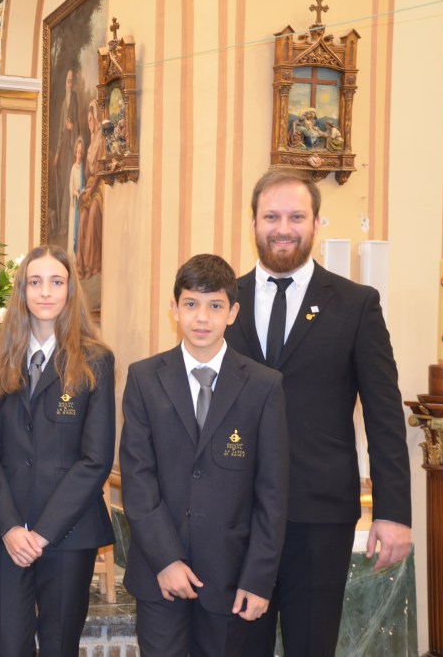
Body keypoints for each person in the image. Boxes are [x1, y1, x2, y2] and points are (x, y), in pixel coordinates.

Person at [226, 168, 412, 657]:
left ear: (315, 223)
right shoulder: (223, 303)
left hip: (319, 516)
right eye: (271, 217)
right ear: (253, 223)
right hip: (235, 517)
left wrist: (393, 512)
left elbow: (384, 414)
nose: (283, 228)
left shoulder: (355, 305)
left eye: (296, 217)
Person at [120, 253, 289, 657]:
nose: (202, 317)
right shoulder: (144, 378)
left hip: (232, 578)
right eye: (191, 304)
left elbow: (272, 492)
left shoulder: (263, 386)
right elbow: (138, 479)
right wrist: (166, 559)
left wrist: (258, 578)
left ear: (233, 313)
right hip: (160, 574)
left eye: (215, 306)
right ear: (174, 309)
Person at [0, 245, 115, 657]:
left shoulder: (95, 360)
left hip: (68, 532)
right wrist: (10, 528)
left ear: (71, 290)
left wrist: (43, 533)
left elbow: (96, 459)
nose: (46, 292)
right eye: (35, 282)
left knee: (59, 645)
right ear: (22, 290)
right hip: (9, 532)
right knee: (6, 645)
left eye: (56, 282)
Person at [76, 101, 104, 280]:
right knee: (83, 216)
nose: (89, 124)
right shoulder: (90, 145)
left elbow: (99, 171)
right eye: (87, 121)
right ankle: (81, 266)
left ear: (97, 119)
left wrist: (91, 189)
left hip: (100, 186)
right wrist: (84, 189)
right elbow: (88, 172)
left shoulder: (101, 141)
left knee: (93, 213)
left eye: (91, 120)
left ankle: (93, 265)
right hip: (91, 184)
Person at [52, 69, 80, 241]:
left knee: (71, 188)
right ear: (65, 84)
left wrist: (73, 127)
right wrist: (57, 153)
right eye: (67, 81)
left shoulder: (75, 99)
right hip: (64, 151)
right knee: (64, 188)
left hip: (72, 149)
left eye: (71, 81)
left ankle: (67, 226)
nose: (69, 84)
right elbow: (61, 131)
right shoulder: (64, 104)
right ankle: (63, 225)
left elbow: (79, 124)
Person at [67, 137, 84, 255]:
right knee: (73, 227)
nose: (79, 155)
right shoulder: (73, 168)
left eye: (80, 152)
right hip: (74, 202)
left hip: (81, 200)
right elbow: (71, 186)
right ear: (75, 153)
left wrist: (81, 193)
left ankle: (79, 254)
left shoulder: (83, 167)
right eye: (77, 152)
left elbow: (84, 183)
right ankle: (72, 255)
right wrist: (76, 193)